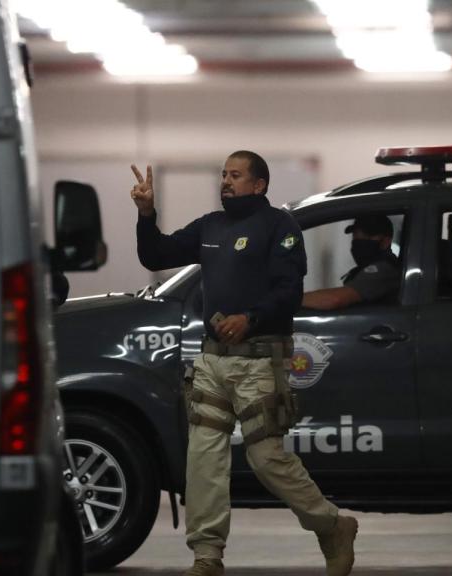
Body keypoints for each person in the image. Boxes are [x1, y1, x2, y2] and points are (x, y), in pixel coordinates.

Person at [131, 151, 358, 576]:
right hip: (213, 362)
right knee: (203, 459)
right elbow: (155, 255)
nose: (226, 182)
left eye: (235, 175)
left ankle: (332, 526)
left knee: (266, 457)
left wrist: (249, 318)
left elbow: (288, 290)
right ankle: (207, 556)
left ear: (259, 185)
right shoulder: (210, 226)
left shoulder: (279, 227)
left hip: (258, 362)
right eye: (223, 174)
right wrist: (146, 214)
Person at [302, 214, 401, 310]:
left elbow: (335, 300)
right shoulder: (367, 268)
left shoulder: (384, 270)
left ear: (386, 242)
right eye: (356, 238)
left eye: (366, 237)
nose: (359, 243)